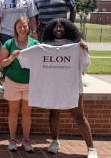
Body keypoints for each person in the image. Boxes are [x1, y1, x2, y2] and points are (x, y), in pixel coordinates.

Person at [42, 18, 97, 158]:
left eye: (61, 26)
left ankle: (91, 148)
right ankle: (54, 141)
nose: (58, 29)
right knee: (54, 114)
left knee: (79, 117)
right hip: (54, 85)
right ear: (51, 29)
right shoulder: (46, 44)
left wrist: (85, 50)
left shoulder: (77, 44)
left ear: (67, 28)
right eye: (55, 27)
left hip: (73, 85)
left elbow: (86, 63)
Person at [0, 17, 39, 153]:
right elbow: (2, 63)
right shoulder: (9, 43)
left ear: (28, 27)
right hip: (12, 81)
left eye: (25, 26)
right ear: (15, 29)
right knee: (13, 111)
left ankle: (26, 140)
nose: (22, 29)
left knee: (27, 112)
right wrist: (11, 58)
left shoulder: (35, 43)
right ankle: (12, 139)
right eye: (20, 27)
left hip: (30, 83)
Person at [0, 0, 39, 76]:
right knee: (6, 58)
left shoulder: (27, 0)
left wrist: (34, 31)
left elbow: (32, 17)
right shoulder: (2, 1)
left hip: (23, 33)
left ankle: (24, 80)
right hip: (6, 33)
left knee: (24, 58)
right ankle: (6, 80)